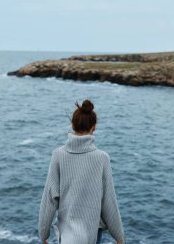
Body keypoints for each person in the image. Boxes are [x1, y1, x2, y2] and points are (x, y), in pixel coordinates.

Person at [38, 99, 124, 244]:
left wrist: (43, 233)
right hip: (93, 235)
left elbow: (50, 199)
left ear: (72, 125)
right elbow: (108, 201)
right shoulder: (102, 158)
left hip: (66, 236)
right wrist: (119, 236)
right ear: (94, 127)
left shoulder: (58, 155)